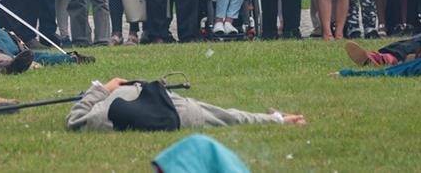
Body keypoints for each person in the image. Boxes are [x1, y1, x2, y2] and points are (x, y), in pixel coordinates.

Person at [66, 77, 305, 131]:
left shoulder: (96, 116)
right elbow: (75, 118)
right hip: (176, 111)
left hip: (172, 114)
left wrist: (101, 90)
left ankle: (277, 119)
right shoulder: (103, 106)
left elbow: (74, 120)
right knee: (228, 117)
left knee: (227, 117)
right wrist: (104, 88)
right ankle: (277, 119)